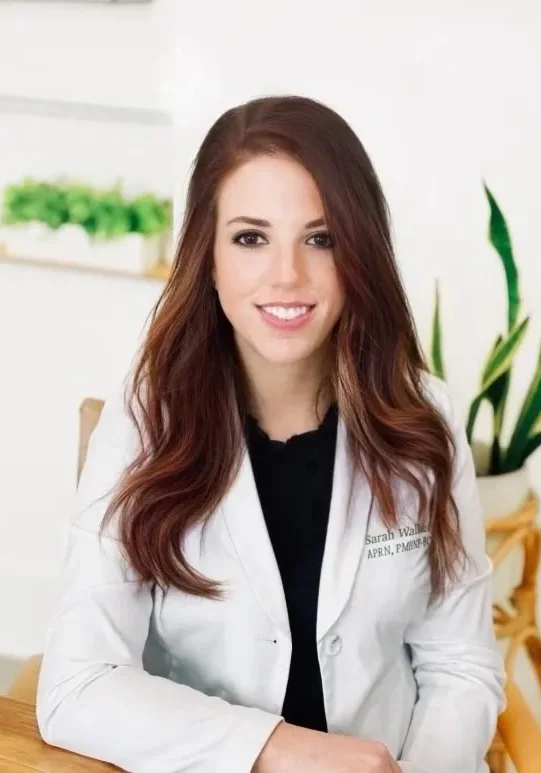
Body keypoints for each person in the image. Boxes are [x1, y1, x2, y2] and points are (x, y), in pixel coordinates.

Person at [36, 94, 505, 773]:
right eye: (250, 237)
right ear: (207, 254)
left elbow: (459, 665)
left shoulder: (422, 421)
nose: (286, 275)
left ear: (359, 253)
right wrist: (279, 749)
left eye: (320, 238)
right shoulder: (143, 425)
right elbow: (77, 683)